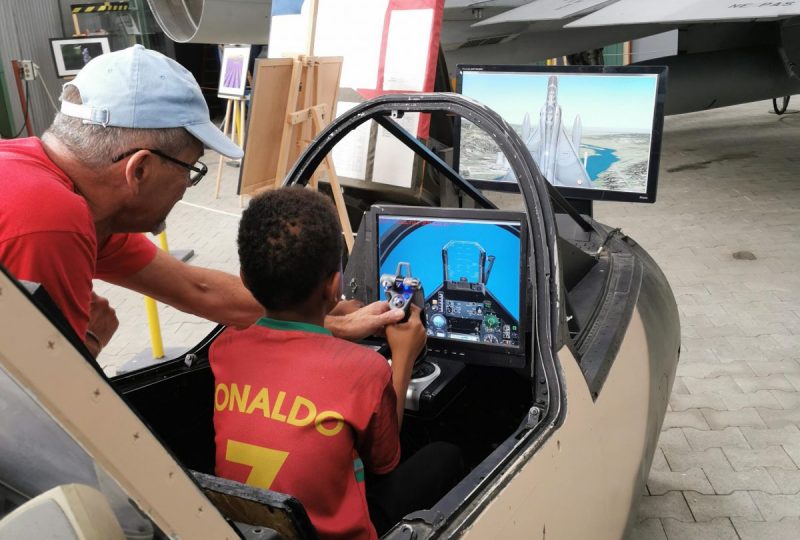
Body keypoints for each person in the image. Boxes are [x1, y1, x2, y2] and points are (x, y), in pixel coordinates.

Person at [0, 44, 402, 358]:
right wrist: (89, 343)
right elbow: (43, 415)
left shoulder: (77, 198)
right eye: (192, 168)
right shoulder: (48, 220)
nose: (186, 187)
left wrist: (322, 316)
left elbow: (199, 289)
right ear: (139, 170)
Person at [210, 188, 462, 539]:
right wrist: (402, 357)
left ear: (245, 278)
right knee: (445, 455)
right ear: (333, 284)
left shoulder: (224, 349)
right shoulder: (364, 371)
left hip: (254, 529)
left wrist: (334, 315)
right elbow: (385, 460)